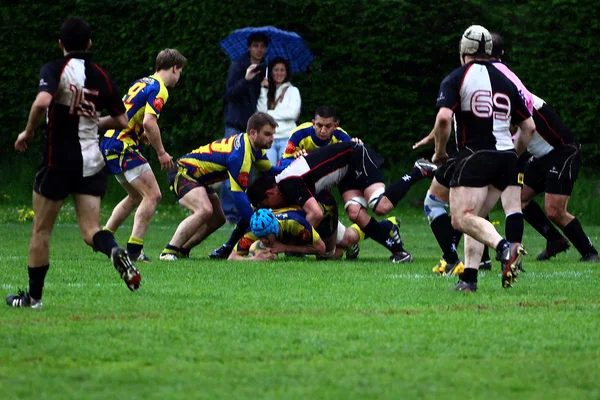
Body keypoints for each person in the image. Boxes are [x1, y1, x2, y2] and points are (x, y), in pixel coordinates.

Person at [6, 17, 141, 308]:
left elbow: (43, 102)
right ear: (90, 43)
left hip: (58, 161)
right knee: (91, 231)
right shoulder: (101, 76)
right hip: (91, 161)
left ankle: (34, 298)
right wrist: (92, 120)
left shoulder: (56, 68)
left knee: (41, 231)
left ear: (60, 44)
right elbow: (122, 120)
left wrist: (28, 131)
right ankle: (115, 249)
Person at [430, 25, 536, 292]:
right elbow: (529, 128)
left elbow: (443, 119)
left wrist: (441, 152)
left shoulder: (456, 77)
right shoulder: (507, 81)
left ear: (463, 51)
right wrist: (514, 155)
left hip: (475, 155)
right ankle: (469, 279)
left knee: (460, 218)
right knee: (476, 218)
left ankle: (504, 248)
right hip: (506, 158)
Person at [489, 34, 599, 262]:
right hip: (540, 156)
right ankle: (555, 240)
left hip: (563, 152)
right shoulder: (504, 90)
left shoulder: (511, 93)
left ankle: (590, 252)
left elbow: (514, 127)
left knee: (554, 210)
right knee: (519, 200)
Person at [246, 142, 418, 262]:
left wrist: (289, 246)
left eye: (266, 206)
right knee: (354, 214)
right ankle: (396, 248)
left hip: (356, 156)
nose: (272, 209)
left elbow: (316, 213)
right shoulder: (284, 184)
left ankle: (417, 171)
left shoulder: (288, 184)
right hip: (346, 174)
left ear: (270, 193)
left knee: (380, 206)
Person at [100, 49, 186, 262]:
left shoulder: (142, 82)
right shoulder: (160, 88)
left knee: (136, 196)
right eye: (180, 71)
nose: (179, 76)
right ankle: (134, 251)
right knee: (153, 195)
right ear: (174, 68)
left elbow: (131, 114)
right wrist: (161, 152)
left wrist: (141, 134)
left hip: (110, 141)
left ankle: (104, 236)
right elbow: (149, 121)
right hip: (122, 145)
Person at [159, 112, 279, 260]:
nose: (272, 138)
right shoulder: (239, 155)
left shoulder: (255, 149)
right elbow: (239, 196)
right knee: (204, 209)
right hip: (183, 171)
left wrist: (296, 160)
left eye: (273, 134)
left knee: (218, 218)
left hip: (198, 178)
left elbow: (272, 170)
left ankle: (182, 250)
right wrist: (257, 225)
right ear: (253, 133)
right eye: (267, 134)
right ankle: (169, 252)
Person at [222, 32, 269, 224]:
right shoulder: (239, 66)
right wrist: (247, 79)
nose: (259, 49)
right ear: (249, 47)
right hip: (235, 124)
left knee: (248, 170)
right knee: (231, 167)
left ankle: (244, 210)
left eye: (262, 46)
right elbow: (230, 94)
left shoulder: (265, 69)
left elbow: (264, 101)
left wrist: (266, 86)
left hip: (253, 127)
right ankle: (227, 212)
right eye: (255, 45)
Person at [228, 208, 326, 260]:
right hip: (297, 237)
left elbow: (321, 248)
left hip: (322, 227)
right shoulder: (256, 230)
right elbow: (232, 257)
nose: (263, 241)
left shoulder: (293, 223)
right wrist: (254, 259)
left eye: (266, 236)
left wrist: (285, 248)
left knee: (332, 255)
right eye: (259, 237)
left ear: (274, 228)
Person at [257, 57, 301, 165]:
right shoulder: (267, 90)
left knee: (286, 172)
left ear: (286, 72)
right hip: (269, 138)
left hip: (287, 138)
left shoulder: (293, 90)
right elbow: (260, 112)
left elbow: (292, 113)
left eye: (282, 70)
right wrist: (263, 90)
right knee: (269, 174)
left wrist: (268, 114)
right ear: (271, 72)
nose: (279, 73)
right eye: (276, 70)